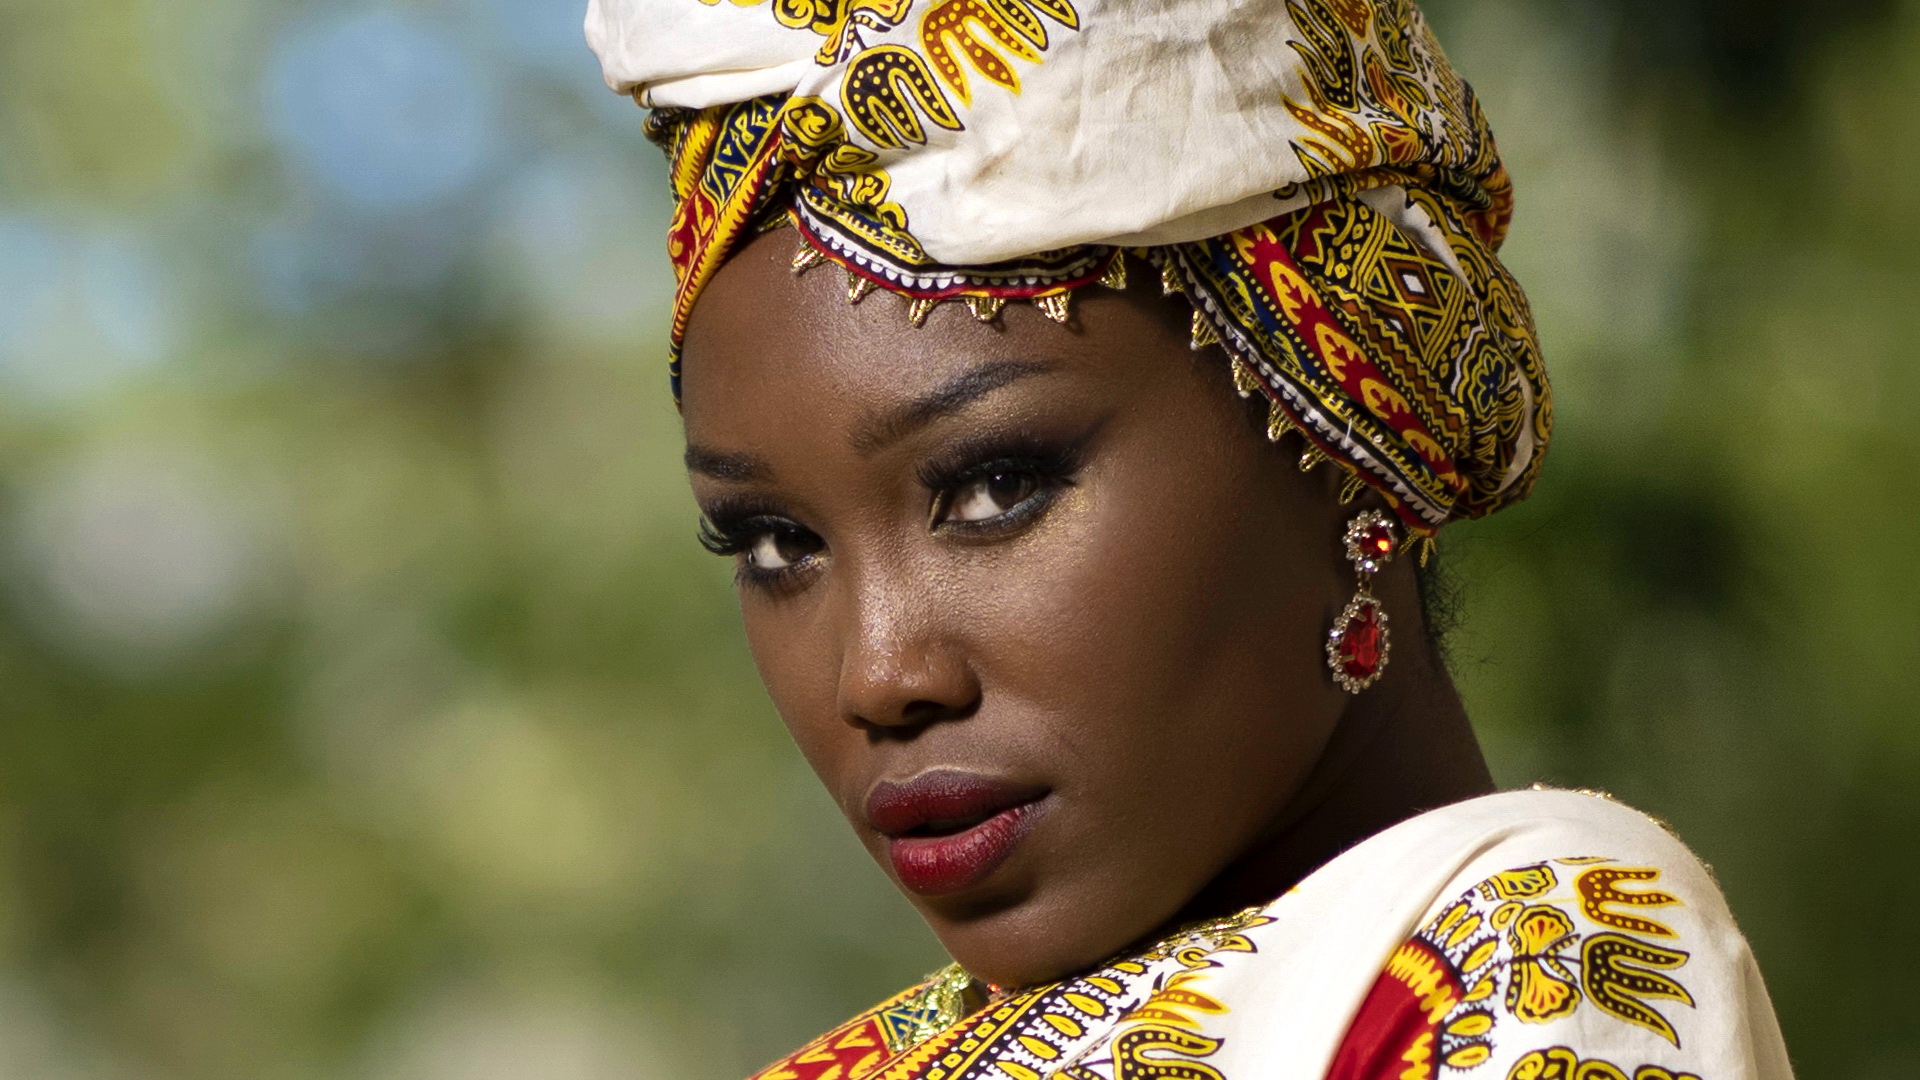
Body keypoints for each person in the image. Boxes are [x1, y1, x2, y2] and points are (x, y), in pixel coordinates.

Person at [584, 1, 1794, 1077]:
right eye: (776, 544)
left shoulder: (1525, 942)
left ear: (1344, 425)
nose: (879, 677)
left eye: (997, 486)